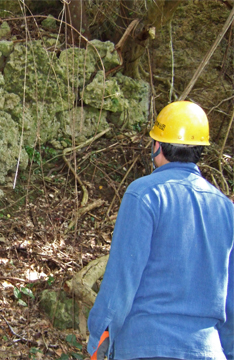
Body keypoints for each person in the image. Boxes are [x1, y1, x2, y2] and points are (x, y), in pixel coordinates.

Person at [87, 101, 234, 360]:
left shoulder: (144, 194)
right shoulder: (225, 208)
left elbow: (122, 278)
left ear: (157, 145)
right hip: (208, 350)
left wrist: (97, 335)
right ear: (200, 151)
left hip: (145, 345)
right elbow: (230, 296)